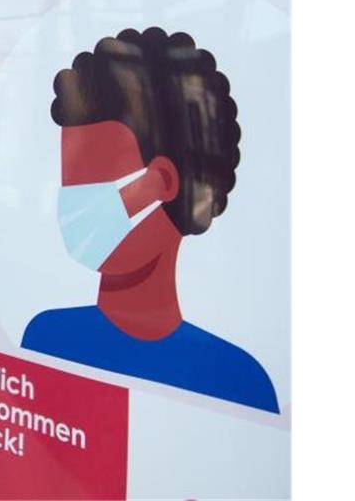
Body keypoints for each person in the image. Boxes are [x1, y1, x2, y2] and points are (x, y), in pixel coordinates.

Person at [21, 27, 278, 414]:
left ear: (165, 182)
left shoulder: (238, 382)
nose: (75, 204)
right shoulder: (46, 339)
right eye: (70, 179)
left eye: (96, 177)